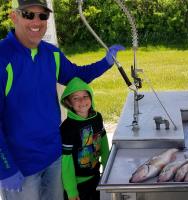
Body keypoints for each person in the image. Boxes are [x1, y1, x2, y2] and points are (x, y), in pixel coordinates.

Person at [0, 0, 124, 199]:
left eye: (43, 16)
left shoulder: (52, 54)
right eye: (28, 15)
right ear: (14, 16)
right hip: (21, 166)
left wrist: (106, 62)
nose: (37, 21)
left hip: (54, 156)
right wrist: (5, 167)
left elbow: (76, 75)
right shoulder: (3, 57)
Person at [60, 77, 109, 200]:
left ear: (91, 98)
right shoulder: (67, 127)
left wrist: (107, 166)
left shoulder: (97, 118)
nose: (82, 101)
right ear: (69, 102)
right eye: (76, 98)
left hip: (96, 176)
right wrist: (71, 190)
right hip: (78, 183)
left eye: (85, 96)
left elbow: (103, 141)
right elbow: (66, 161)